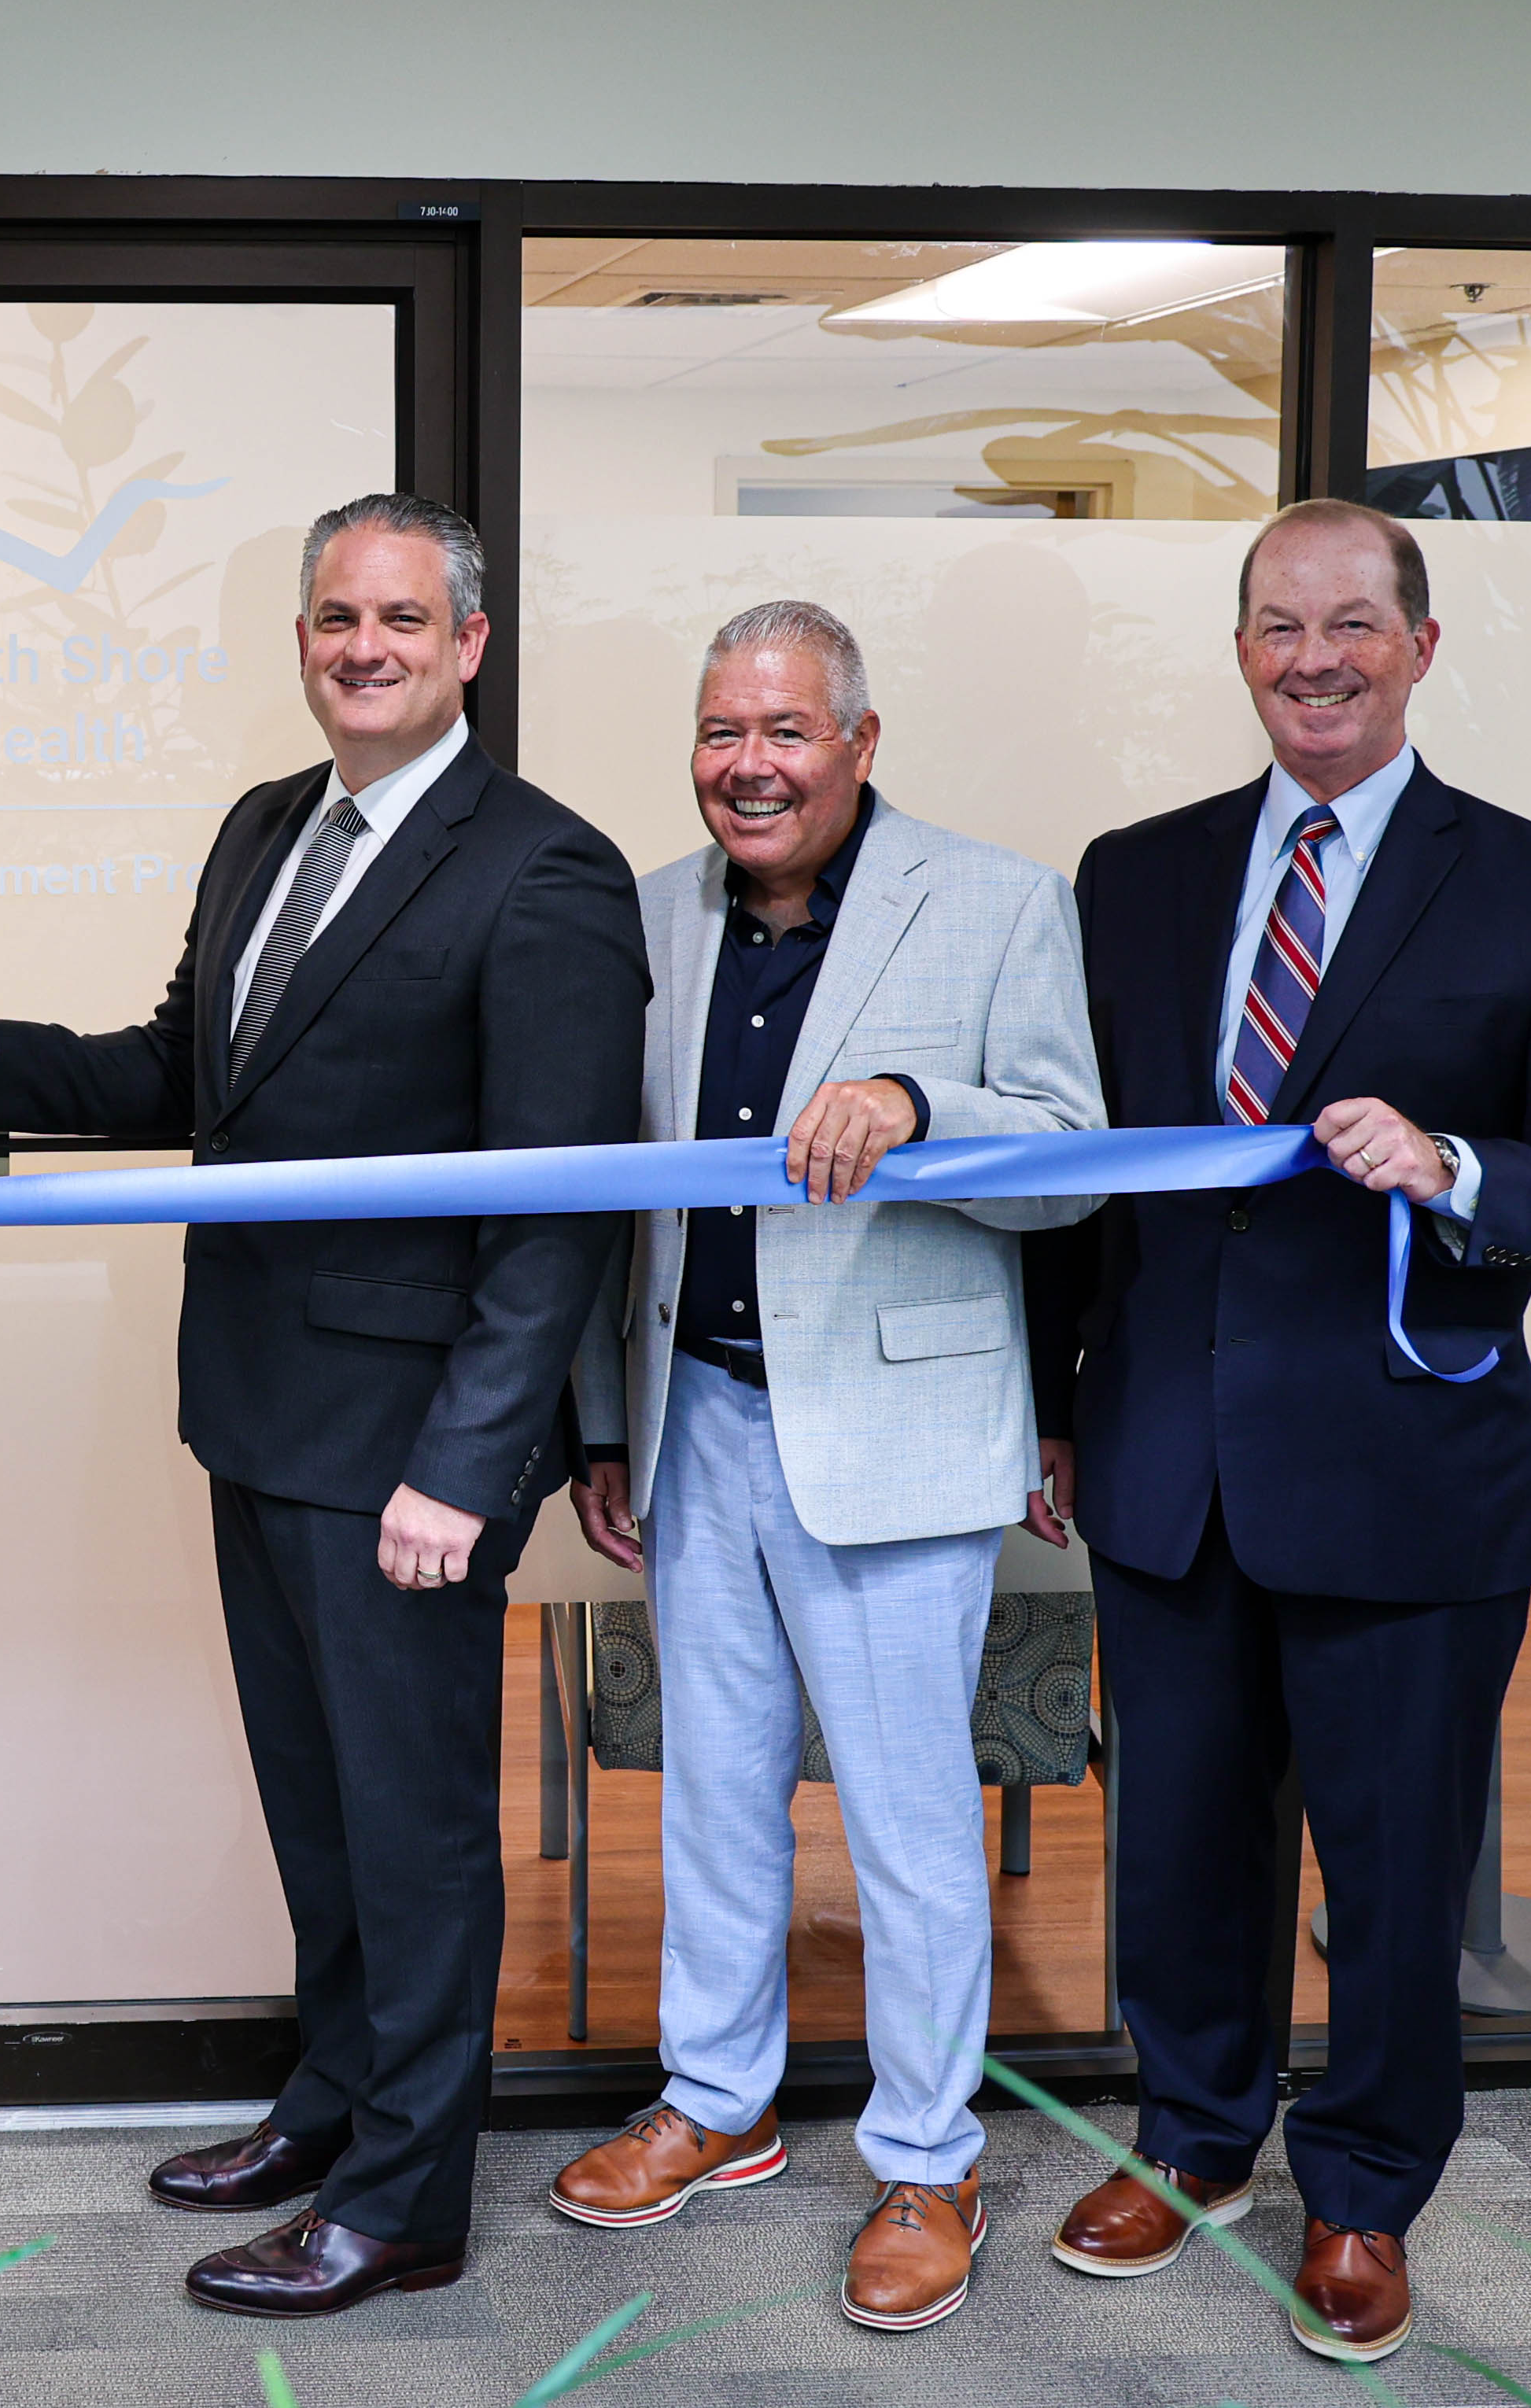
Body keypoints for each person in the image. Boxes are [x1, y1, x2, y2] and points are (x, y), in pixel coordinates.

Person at [0, 492, 649, 2318]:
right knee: (319, 1814)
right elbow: (189, 1071)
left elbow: (558, 1201)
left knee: (412, 1822)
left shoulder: (544, 870)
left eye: (398, 619)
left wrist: (472, 1464)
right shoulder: (260, 829)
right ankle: (330, 2098)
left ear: (469, 644)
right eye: (331, 619)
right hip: (255, 1412)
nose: (359, 648)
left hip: (405, 1453)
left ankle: (404, 2199)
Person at [1029, 502, 1531, 2365]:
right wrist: (1050, 1406)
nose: (1307, 658)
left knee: (1390, 1869)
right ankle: (1192, 2143)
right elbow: (1086, 1185)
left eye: (1346, 625)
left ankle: (1366, 2190)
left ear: (1415, 643)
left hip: (1404, 1469)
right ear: (1235, 648)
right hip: (1164, 1451)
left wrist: (1453, 1164)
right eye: (1271, 626)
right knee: (1172, 1847)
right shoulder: (1134, 875)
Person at [552, 601, 1099, 2333]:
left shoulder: (997, 898)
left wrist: (922, 1107)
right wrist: (600, 1420)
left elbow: (1076, 1167)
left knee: (908, 1819)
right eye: (721, 732)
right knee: (711, 1787)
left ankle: (926, 2157)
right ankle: (713, 2103)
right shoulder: (645, 918)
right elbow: (600, 1198)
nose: (748, 765)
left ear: (860, 742)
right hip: (694, 1411)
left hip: (891, 1436)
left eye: (785, 732)